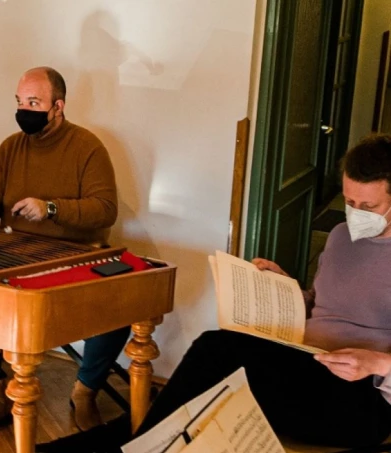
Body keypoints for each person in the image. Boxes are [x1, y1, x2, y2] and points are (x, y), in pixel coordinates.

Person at [132, 134, 391, 448]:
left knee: (215, 373)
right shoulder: (340, 236)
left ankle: (142, 444)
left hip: (362, 394)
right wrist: (283, 288)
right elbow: (322, 303)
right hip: (306, 361)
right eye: (349, 202)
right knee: (214, 353)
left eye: (368, 206)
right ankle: (146, 444)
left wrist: (378, 364)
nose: (356, 213)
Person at [0, 66, 125, 432]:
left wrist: (51, 208)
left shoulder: (87, 147)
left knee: (118, 306)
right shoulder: (11, 147)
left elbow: (105, 209)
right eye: (20, 102)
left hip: (74, 256)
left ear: (58, 107)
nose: (24, 110)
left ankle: (84, 392)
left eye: (34, 103)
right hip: (17, 253)